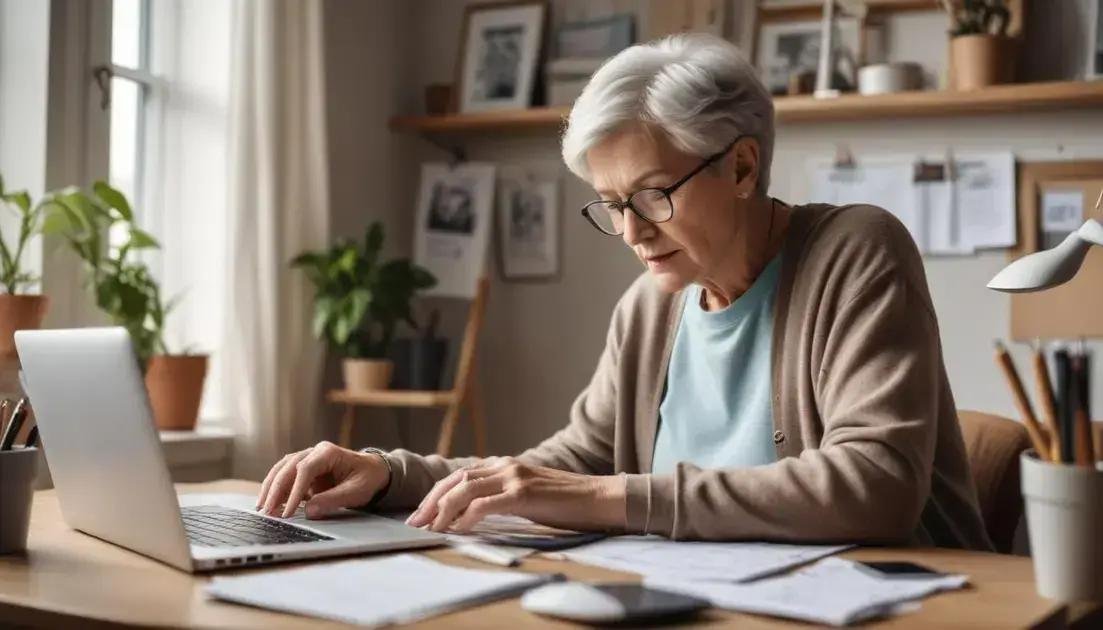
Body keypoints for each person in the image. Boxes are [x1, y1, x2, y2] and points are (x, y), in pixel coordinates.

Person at [257, 33, 991, 549]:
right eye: (609, 203)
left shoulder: (855, 251)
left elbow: (875, 485)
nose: (631, 231)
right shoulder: (650, 306)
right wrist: (389, 473)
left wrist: (611, 499)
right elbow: (571, 463)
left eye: (649, 194)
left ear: (741, 168)